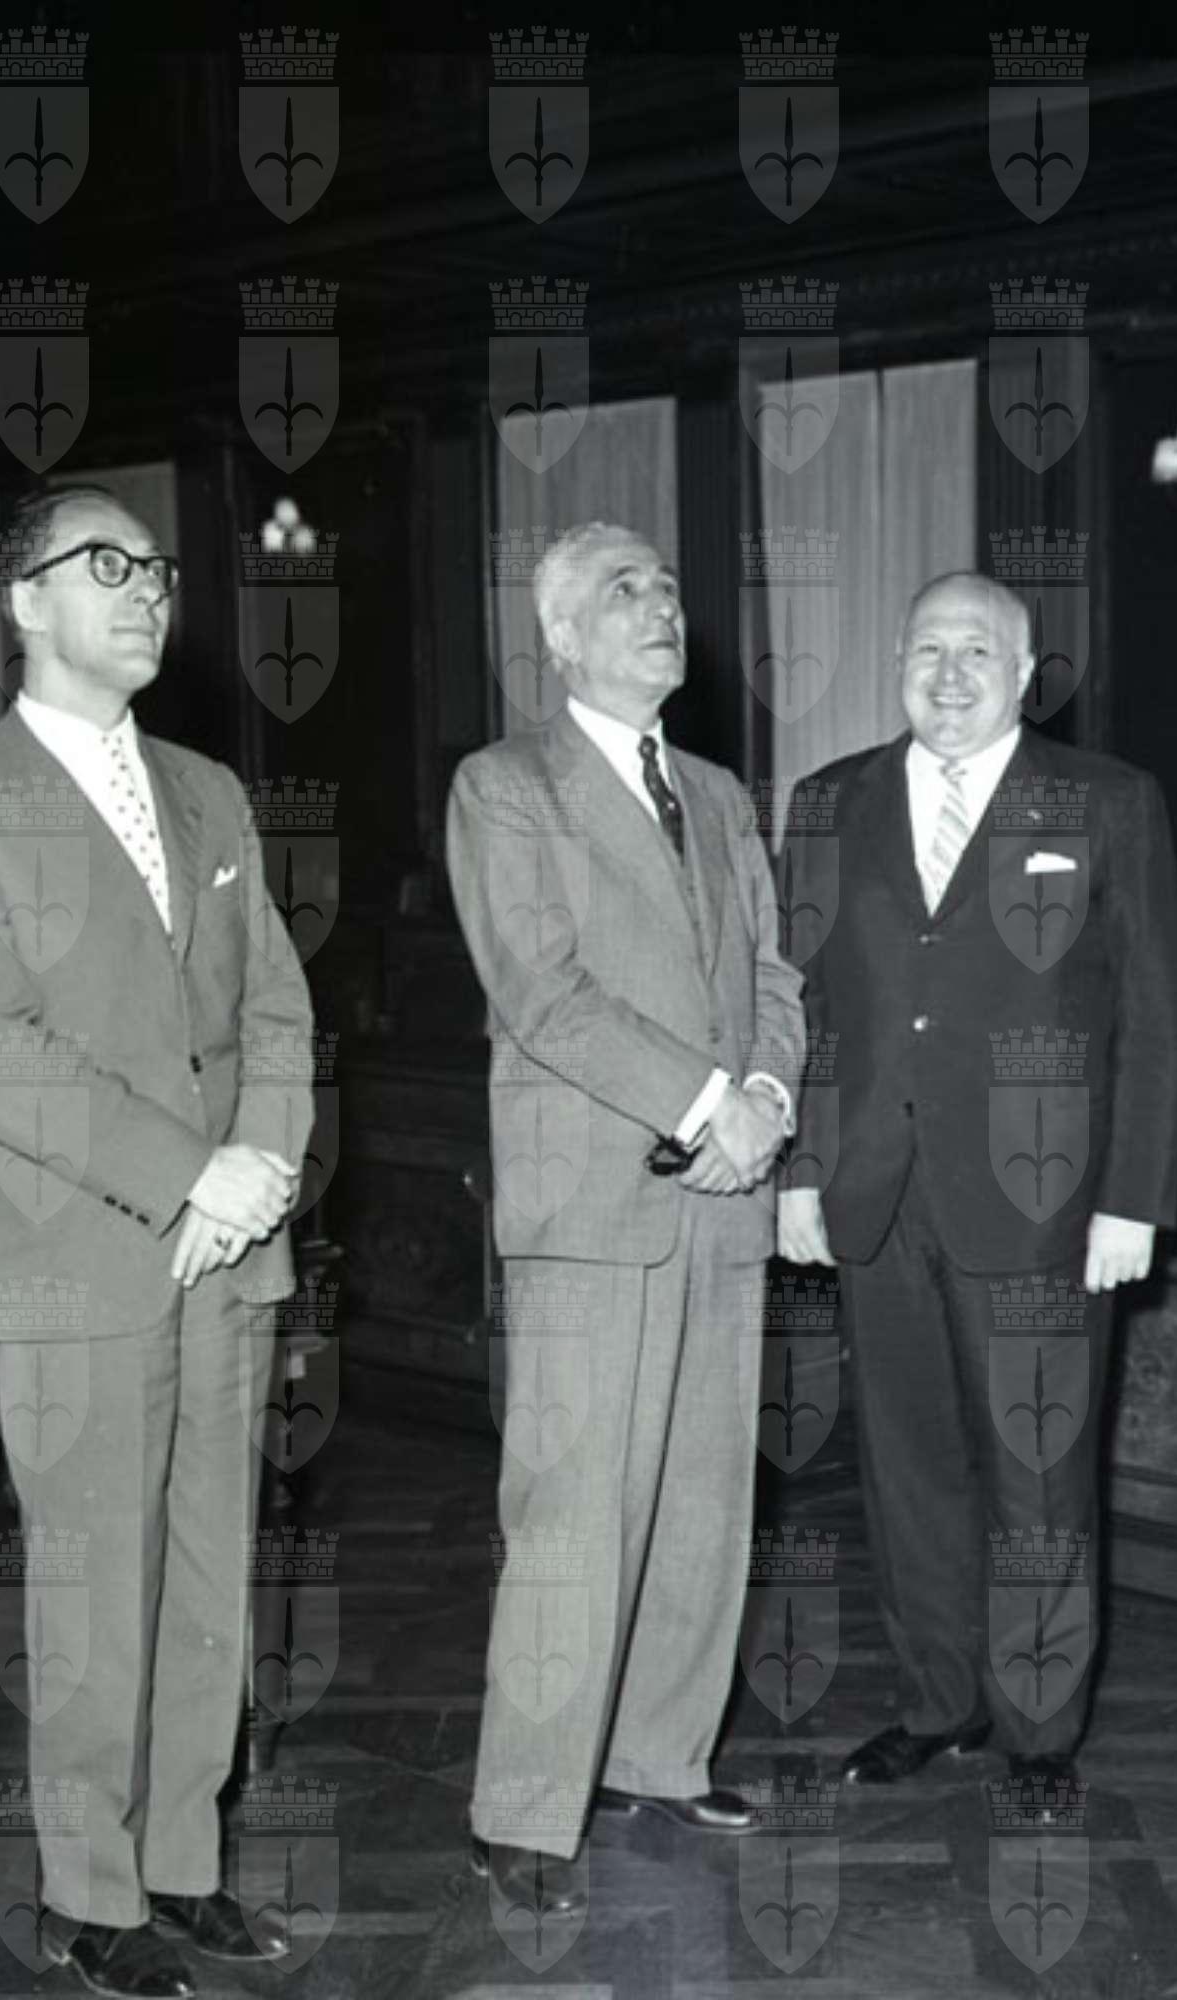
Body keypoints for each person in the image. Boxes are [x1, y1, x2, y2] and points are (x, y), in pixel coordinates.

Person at [0, 486, 313, 1998]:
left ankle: (181, 1865)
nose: (148, 588)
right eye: (107, 566)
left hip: (229, 1246)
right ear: (23, 600)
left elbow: (274, 1003)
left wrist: (258, 1168)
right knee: (95, 1590)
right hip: (74, 1255)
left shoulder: (208, 791)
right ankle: (90, 1897)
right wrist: (190, 1174)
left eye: (155, 567)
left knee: (211, 1573)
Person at [778, 571, 1177, 1806]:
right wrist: (799, 1175)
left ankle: (1038, 1728)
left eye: (977, 651)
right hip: (875, 1193)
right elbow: (799, 1003)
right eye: (927, 649)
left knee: (1039, 1472)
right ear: (897, 664)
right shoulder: (828, 801)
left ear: (1027, 673)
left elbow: (1161, 1016)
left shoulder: (1106, 799)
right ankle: (937, 1699)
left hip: (1046, 1201)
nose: (949, 673)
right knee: (905, 1466)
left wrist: (1132, 1199)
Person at [447, 522, 805, 1910]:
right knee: (571, 1509)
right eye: (622, 592)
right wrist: (709, 1103)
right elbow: (542, 992)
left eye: (664, 585)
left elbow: (771, 972)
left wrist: (765, 1093)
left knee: (706, 1495)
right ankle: (525, 1807)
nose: (661, 606)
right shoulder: (505, 785)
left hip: (724, 1195)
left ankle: (659, 1752)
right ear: (559, 639)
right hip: (594, 1202)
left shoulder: (713, 793)